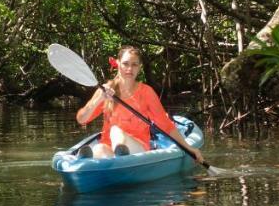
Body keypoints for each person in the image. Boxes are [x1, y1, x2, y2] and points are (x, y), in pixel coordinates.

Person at [75, 45, 206, 164]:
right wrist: (98, 100)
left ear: (140, 67)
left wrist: (188, 147)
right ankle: (98, 162)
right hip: (109, 148)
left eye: (134, 65)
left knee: (115, 131)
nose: (129, 69)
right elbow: (82, 119)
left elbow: (165, 125)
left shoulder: (146, 92)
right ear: (118, 64)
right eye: (125, 64)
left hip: (138, 148)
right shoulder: (105, 90)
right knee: (99, 147)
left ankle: (119, 156)